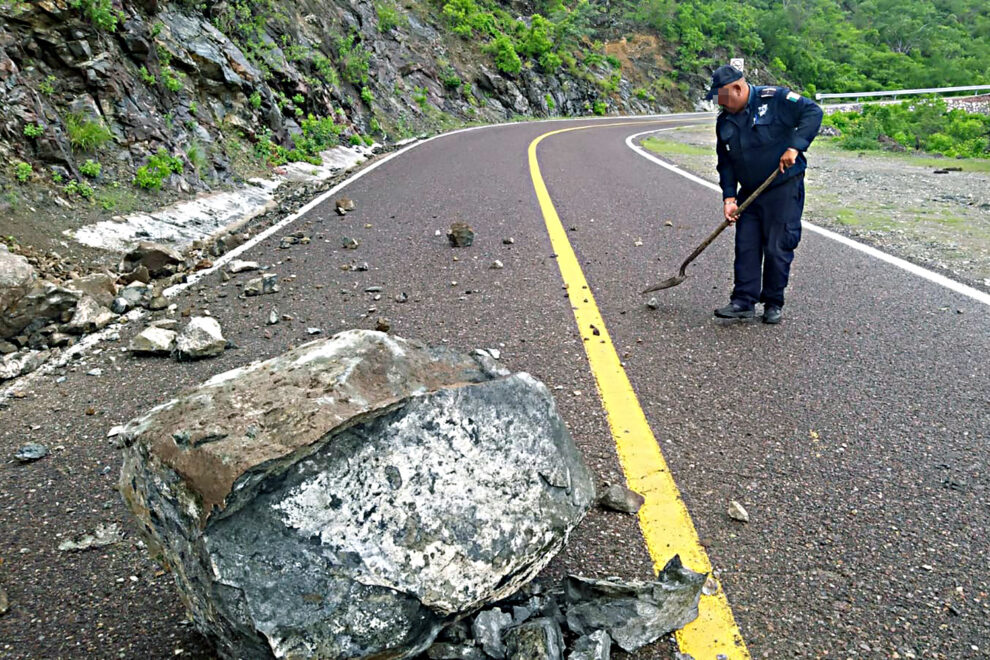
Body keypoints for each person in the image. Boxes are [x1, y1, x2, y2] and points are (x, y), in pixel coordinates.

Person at [706, 64, 823, 324]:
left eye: (721, 98)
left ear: (737, 88)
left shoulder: (776, 99)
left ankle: (773, 302)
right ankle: (743, 301)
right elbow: (725, 162)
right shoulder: (724, 121)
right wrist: (729, 197)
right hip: (750, 192)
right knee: (746, 245)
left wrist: (795, 147)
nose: (719, 104)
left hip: (783, 188)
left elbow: (813, 112)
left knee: (777, 246)